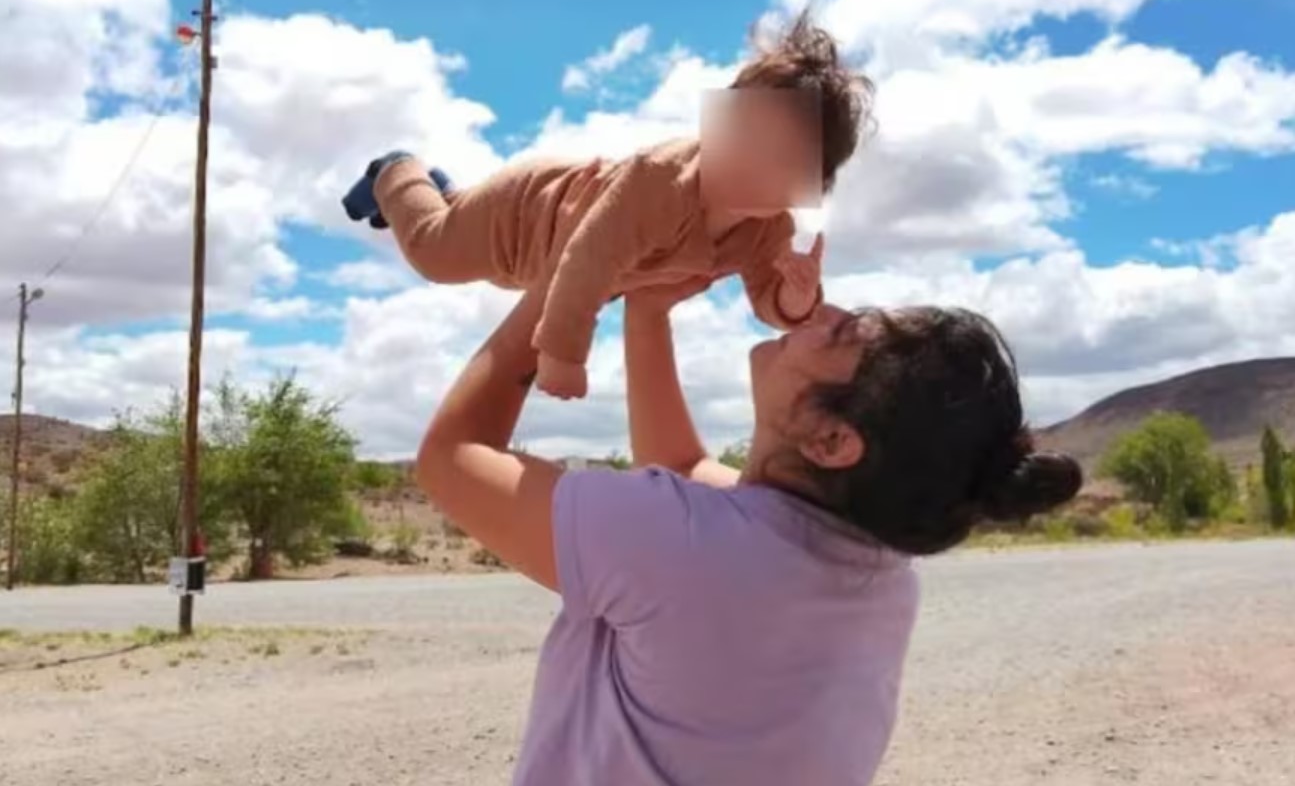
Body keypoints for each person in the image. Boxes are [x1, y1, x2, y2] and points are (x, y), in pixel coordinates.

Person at [414, 277, 1082, 785]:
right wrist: (647, 310)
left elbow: (449, 458)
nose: (818, 313)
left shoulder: (684, 544)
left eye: (843, 333)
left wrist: (569, 283)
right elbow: (680, 469)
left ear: (831, 439)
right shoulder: (873, 571)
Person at [341, 14, 869, 400]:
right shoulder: (661, 179)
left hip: (535, 268)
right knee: (435, 253)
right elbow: (588, 260)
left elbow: (766, 301)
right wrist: (563, 354)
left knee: (455, 225)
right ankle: (397, 171)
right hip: (524, 214)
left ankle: (441, 193)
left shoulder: (768, 232)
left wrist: (796, 300)